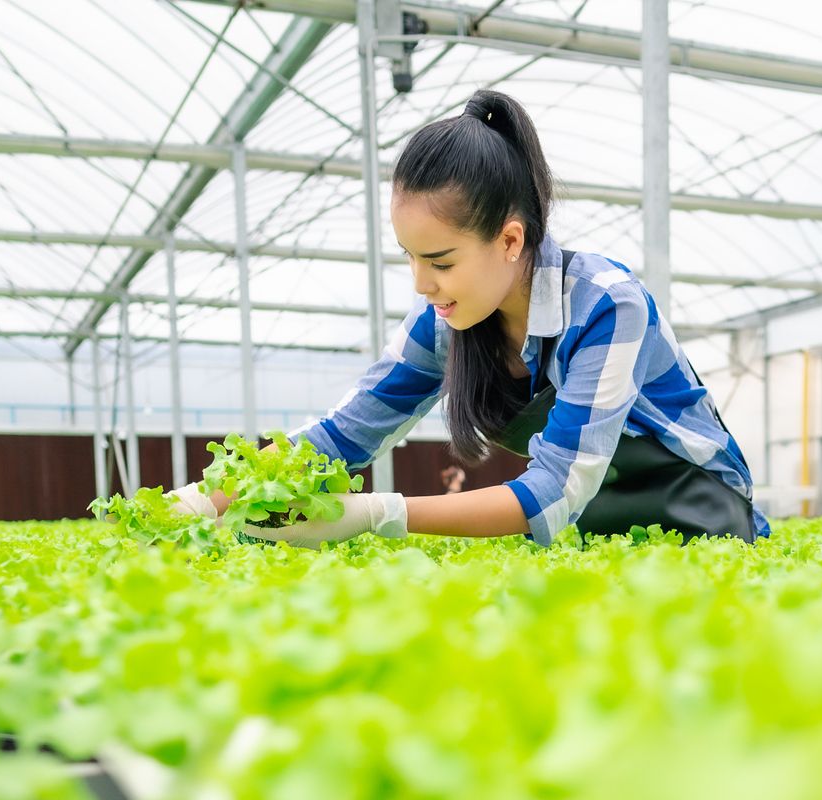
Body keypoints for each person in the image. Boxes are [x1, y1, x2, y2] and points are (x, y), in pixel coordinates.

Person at [171, 89, 765, 548]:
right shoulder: (446, 318)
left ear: (510, 240)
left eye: (440, 261)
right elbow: (343, 435)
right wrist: (209, 497)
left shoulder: (608, 306)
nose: (421, 282)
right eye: (410, 257)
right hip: (602, 534)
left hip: (701, 523)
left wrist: (381, 514)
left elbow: (556, 493)